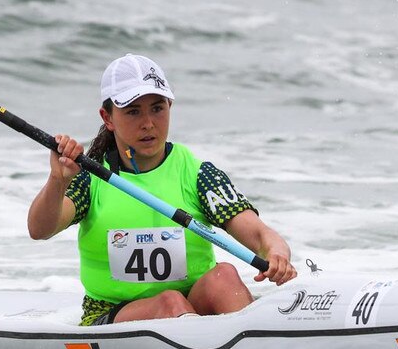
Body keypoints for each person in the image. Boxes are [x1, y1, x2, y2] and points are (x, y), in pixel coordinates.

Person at [28, 54, 297, 326]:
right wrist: (57, 180)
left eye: (157, 108)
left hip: (193, 305)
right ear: (107, 117)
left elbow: (260, 234)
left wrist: (276, 254)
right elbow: (40, 229)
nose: (148, 123)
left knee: (224, 276)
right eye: (133, 111)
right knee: (169, 302)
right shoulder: (90, 176)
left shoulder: (197, 174)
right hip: (110, 315)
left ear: (170, 106)